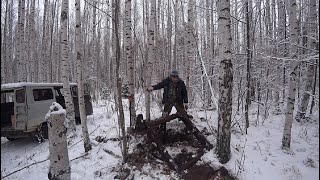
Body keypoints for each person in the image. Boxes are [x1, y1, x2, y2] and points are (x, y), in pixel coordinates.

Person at [147, 70, 188, 143]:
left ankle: (187, 129)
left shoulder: (181, 83)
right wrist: (153, 87)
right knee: (165, 115)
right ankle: (162, 131)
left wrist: (186, 102)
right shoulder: (167, 81)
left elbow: (185, 93)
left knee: (183, 115)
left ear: (177, 77)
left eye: (175, 77)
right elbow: (160, 85)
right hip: (169, 100)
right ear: (170, 76)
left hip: (178, 101)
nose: (174, 78)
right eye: (173, 76)